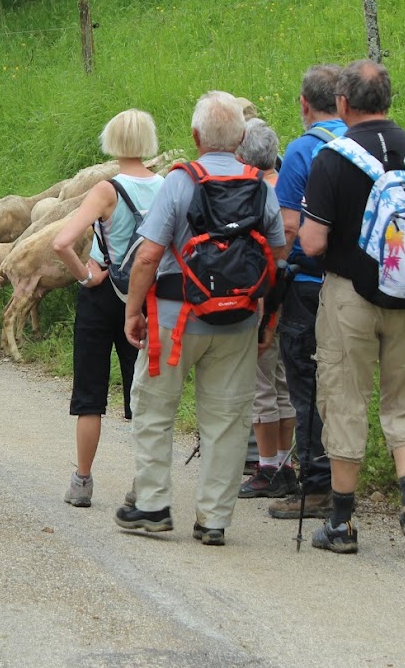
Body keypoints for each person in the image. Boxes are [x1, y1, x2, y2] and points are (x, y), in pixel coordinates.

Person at [299, 60, 405, 555]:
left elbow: (311, 243)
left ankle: (341, 522)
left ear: (344, 104)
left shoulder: (332, 157)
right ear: (389, 102)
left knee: (344, 395)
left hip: (351, 297)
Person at [118, 92, 285, 546]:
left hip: (175, 320)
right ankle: (214, 520)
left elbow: (149, 254)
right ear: (240, 139)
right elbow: (276, 260)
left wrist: (133, 311)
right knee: (227, 420)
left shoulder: (180, 181)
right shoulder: (260, 186)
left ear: (195, 137)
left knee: (155, 411)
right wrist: (266, 321)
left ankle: (151, 506)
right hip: (239, 324)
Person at [52, 108, 163, 508]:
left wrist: (85, 275)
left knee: (91, 393)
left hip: (103, 298)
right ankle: (142, 483)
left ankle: (82, 482)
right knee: (144, 395)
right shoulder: (167, 185)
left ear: (112, 141)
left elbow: (61, 242)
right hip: (148, 299)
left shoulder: (106, 189)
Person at [265, 64, 345, 521]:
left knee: (307, 384)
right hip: (364, 283)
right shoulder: (362, 145)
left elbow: (289, 227)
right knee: (346, 387)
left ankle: (317, 486)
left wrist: (272, 279)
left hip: (310, 285)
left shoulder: (302, 150)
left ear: (304, 104)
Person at [233, 118, 298, 500]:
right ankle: (286, 464)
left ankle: (268, 466)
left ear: (243, 154)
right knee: (284, 380)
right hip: (294, 292)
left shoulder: (252, 192)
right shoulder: (290, 190)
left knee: (260, 383)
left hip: (261, 299)